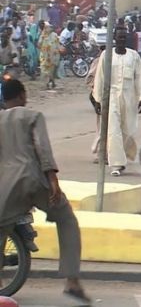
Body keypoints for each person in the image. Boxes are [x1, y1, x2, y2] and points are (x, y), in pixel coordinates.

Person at [0, 79, 90, 303]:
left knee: (2, 229)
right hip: (34, 180)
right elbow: (42, 147)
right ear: (22, 95)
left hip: (7, 185)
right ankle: (72, 281)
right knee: (67, 219)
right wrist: (53, 180)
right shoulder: (33, 116)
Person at [92, 26, 141, 176]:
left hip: (129, 97)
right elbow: (100, 77)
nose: (121, 40)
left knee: (128, 129)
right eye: (119, 37)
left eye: (124, 37)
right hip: (111, 97)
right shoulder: (106, 55)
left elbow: (139, 76)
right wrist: (98, 100)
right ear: (114, 38)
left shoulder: (133, 56)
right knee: (113, 130)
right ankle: (116, 165)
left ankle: (126, 153)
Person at [39, 23, 61, 89]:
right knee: (45, 70)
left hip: (53, 56)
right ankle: (47, 84)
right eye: (48, 27)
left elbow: (57, 44)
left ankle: (51, 83)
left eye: (50, 27)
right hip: (45, 56)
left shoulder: (54, 35)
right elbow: (39, 44)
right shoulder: (42, 35)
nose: (49, 29)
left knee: (52, 70)